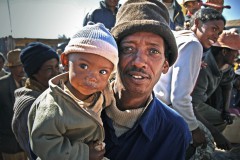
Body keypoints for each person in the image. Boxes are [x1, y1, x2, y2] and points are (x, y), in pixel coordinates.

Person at [101, 0, 191, 159]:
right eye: (128, 48)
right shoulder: (77, 109)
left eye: (153, 51)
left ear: (165, 65)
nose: (139, 61)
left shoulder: (174, 131)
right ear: (113, 57)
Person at [28, 23, 118, 160]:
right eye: (84, 66)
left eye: (103, 71)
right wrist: (84, 153)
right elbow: (43, 143)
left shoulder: (101, 93)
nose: (93, 77)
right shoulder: (53, 105)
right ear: (65, 61)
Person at [154, 8, 226, 159]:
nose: (216, 36)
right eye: (213, 29)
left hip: (153, 103)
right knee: (206, 144)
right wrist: (194, 129)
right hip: (165, 110)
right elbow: (179, 98)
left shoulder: (179, 36)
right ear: (198, 23)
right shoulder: (194, 45)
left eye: (219, 32)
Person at [191, 29, 240, 151]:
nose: (237, 56)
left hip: (198, 102)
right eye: (236, 53)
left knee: (222, 120)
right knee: (204, 129)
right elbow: (189, 107)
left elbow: (227, 86)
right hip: (187, 104)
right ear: (224, 51)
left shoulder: (227, 66)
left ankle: (204, 143)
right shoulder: (203, 68)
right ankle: (194, 143)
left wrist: (225, 110)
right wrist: (216, 135)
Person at [11, 42, 60, 159]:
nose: (56, 73)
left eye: (57, 66)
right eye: (49, 69)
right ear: (34, 73)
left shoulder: (50, 94)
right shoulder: (30, 104)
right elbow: (39, 151)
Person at [0, 49, 27, 160]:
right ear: (11, 68)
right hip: (9, 144)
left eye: (23, 65)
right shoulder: (2, 85)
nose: (22, 69)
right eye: (19, 66)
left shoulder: (27, 83)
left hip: (25, 144)